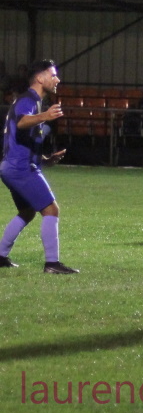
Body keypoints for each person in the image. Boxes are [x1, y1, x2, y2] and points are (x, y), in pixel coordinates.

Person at [0, 59, 77, 273]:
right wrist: (45, 116)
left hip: (12, 166)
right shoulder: (29, 99)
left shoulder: (31, 101)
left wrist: (45, 159)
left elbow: (21, 139)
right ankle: (52, 264)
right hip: (20, 168)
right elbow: (22, 122)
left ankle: (0, 256)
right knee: (51, 210)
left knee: (27, 212)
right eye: (53, 75)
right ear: (40, 78)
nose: (57, 79)